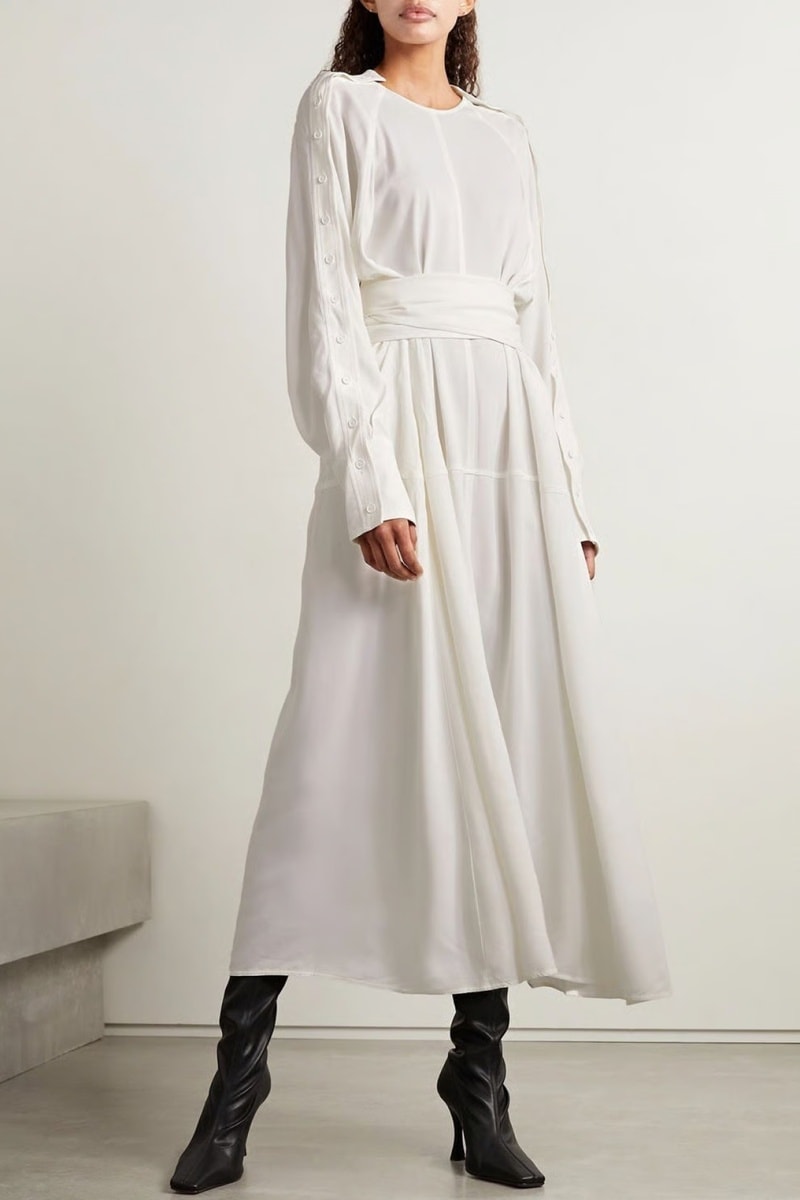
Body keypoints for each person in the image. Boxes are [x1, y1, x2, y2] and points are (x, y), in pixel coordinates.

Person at [169, 1, 672, 1193]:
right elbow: (325, 301)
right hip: (397, 429)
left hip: (507, 457)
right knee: (328, 743)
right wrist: (366, 477)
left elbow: (535, 329)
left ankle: (476, 1084)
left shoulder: (505, 135)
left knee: (500, 742)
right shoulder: (338, 108)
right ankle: (235, 1089)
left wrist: (570, 497)